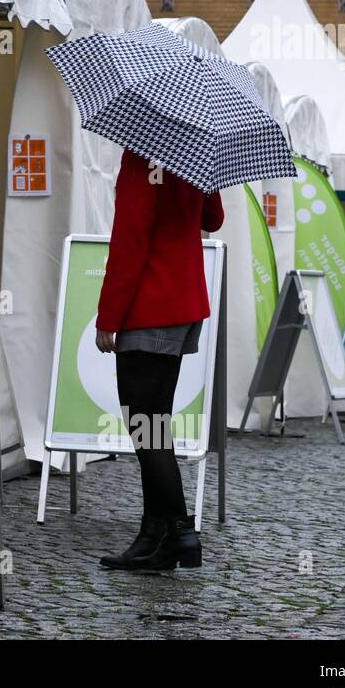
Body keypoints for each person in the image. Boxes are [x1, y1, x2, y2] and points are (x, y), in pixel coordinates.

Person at [95, 150, 223, 572]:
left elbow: (130, 238)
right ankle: (155, 533)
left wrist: (108, 316)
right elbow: (213, 219)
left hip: (149, 306)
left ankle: (182, 533)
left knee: (146, 429)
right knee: (154, 425)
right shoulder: (193, 153)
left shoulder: (142, 155)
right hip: (183, 302)